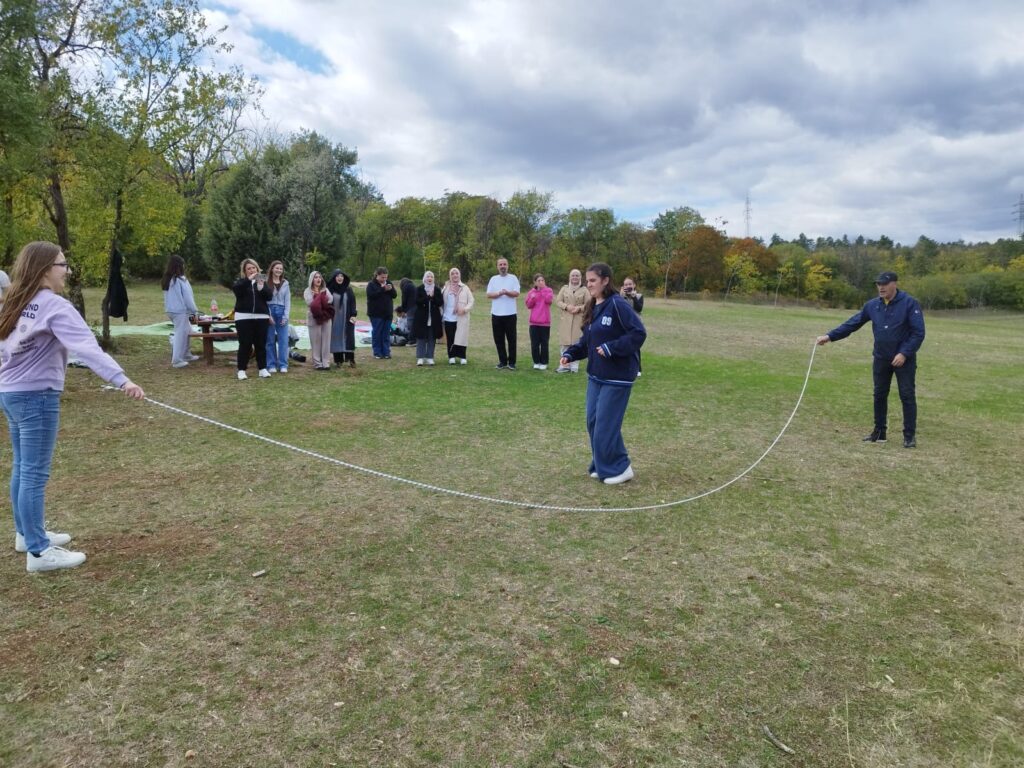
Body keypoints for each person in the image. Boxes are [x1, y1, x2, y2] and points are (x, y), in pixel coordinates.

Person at [0, 241, 145, 572]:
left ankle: (26, 534)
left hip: (10, 394)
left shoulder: (15, 303)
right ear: (44, 270)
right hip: (35, 397)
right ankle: (38, 552)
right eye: (62, 265)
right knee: (33, 472)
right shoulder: (54, 306)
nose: (67, 271)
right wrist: (123, 380)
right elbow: (87, 348)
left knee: (23, 467)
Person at [816, 271, 925, 448]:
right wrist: (829, 336)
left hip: (904, 360)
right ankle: (880, 432)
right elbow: (853, 323)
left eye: (884, 284)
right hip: (881, 358)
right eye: (878, 284)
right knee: (879, 394)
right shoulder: (872, 306)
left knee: (907, 395)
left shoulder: (910, 303)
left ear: (894, 284)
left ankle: (909, 435)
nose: (881, 287)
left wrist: (904, 353)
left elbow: (918, 333)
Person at [560, 263, 646, 485]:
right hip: (596, 375)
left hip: (617, 376)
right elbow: (587, 341)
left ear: (606, 280)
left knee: (605, 425)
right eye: (587, 281)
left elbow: (638, 333)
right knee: (594, 422)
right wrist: (571, 354)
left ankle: (620, 468)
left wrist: (612, 348)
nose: (588, 284)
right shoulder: (593, 305)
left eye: (592, 281)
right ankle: (604, 463)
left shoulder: (617, 305)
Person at [232, 259, 274, 380]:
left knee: (261, 344)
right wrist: (248, 280)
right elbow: (237, 291)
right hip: (243, 317)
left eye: (254, 268)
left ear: (257, 269)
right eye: (249, 268)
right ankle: (241, 370)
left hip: (261, 317)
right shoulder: (241, 282)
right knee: (245, 344)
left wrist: (261, 287)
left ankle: (262, 369)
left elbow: (269, 297)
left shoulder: (262, 282)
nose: (252, 270)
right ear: (245, 271)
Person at [161, 255, 199, 368]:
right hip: (180, 311)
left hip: (171, 310)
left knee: (186, 330)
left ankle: (186, 354)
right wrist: (194, 311)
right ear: (180, 266)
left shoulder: (168, 279)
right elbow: (188, 298)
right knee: (180, 334)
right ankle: (176, 360)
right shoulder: (180, 280)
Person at [486, 257, 520, 369]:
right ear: (497, 266)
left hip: (510, 314)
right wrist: (499, 293)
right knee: (498, 339)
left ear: (508, 266)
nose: (503, 266)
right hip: (496, 314)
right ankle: (502, 361)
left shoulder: (513, 278)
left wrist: (507, 292)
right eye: (500, 264)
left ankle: (512, 363)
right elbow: (489, 294)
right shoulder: (493, 279)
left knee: (511, 339)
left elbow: (516, 293)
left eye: (504, 264)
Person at [555, 268, 588, 373]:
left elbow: (589, 304)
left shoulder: (585, 290)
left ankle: (574, 367)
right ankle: (564, 366)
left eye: (577, 275)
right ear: (569, 277)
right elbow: (558, 301)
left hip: (578, 320)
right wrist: (566, 306)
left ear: (580, 278)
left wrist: (579, 308)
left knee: (576, 343)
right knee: (565, 344)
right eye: (573, 275)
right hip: (566, 320)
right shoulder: (564, 289)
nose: (575, 277)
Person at [442, 267, 474, 365]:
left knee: (461, 337)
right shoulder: (446, 287)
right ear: (450, 276)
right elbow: (440, 301)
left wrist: (464, 309)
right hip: (448, 317)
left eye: (456, 273)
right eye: (452, 273)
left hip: (461, 317)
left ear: (459, 275)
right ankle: (451, 356)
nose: (455, 275)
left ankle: (462, 356)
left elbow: (471, 301)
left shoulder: (465, 287)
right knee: (450, 338)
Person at [265, 260, 291, 374]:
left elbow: (287, 301)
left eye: (281, 269)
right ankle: (271, 364)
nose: (279, 270)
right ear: (272, 269)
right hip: (270, 310)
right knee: (270, 340)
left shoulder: (285, 283)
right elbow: (264, 300)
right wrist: (268, 315)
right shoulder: (266, 282)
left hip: (281, 311)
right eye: (277, 268)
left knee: (283, 340)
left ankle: (283, 364)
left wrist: (286, 315)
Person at [304, 271, 333, 370]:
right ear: (312, 280)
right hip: (314, 317)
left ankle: (326, 362)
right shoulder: (307, 291)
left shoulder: (325, 290)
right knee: (316, 340)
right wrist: (320, 297)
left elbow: (330, 299)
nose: (318, 279)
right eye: (316, 277)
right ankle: (317, 363)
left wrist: (319, 296)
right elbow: (310, 303)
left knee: (326, 340)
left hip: (326, 316)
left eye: (320, 277)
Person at [328, 269, 357, 368]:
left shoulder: (348, 289)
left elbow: (353, 303)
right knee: (335, 338)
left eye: (342, 276)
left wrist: (353, 314)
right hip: (335, 319)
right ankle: (338, 360)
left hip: (347, 317)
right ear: (334, 278)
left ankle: (351, 359)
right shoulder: (330, 290)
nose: (340, 278)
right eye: (337, 276)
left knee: (348, 338)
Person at [413, 270, 444, 366]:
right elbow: (416, 301)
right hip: (421, 318)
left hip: (434, 318)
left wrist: (433, 297)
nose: (429, 278)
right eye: (428, 276)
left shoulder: (437, 289)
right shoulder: (419, 288)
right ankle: (420, 358)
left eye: (431, 277)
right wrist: (427, 297)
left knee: (432, 338)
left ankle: (430, 357)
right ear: (424, 278)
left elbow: (440, 302)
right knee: (421, 338)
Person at [366, 266, 397, 359]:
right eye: (382, 277)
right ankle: (377, 352)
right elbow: (371, 295)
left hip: (388, 313)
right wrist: (383, 289)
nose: (384, 279)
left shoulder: (389, 283)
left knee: (386, 333)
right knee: (377, 333)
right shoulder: (371, 285)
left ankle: (386, 352)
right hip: (376, 314)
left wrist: (390, 289)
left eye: (386, 277)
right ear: (377, 276)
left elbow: (395, 295)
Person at [524, 273, 554, 370]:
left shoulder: (548, 290)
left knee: (544, 343)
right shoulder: (531, 292)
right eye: (538, 281)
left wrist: (543, 290)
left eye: (542, 280)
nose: (541, 282)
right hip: (534, 323)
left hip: (545, 323)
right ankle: (536, 361)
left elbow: (549, 301)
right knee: (535, 343)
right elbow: (528, 305)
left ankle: (544, 362)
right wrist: (532, 298)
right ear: (535, 282)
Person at [621, 276, 644, 376]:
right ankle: (623, 366)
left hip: (635, 324)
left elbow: (639, 309)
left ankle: (638, 368)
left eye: (630, 284)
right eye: (626, 285)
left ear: (634, 285)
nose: (628, 286)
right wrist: (621, 296)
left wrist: (634, 297)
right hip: (623, 324)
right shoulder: (620, 296)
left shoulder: (639, 296)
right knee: (623, 344)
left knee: (635, 346)